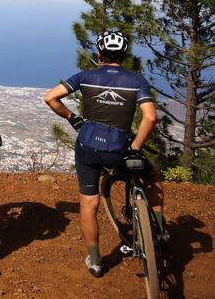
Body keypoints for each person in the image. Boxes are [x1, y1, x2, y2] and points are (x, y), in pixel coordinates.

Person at [43, 30, 165, 278]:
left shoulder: (86, 76)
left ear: (99, 54)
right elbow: (151, 118)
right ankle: (159, 234)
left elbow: (50, 97)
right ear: (124, 55)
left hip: (87, 147)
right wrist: (135, 147)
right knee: (152, 178)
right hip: (118, 149)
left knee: (89, 204)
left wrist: (72, 118)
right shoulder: (136, 80)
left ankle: (96, 261)